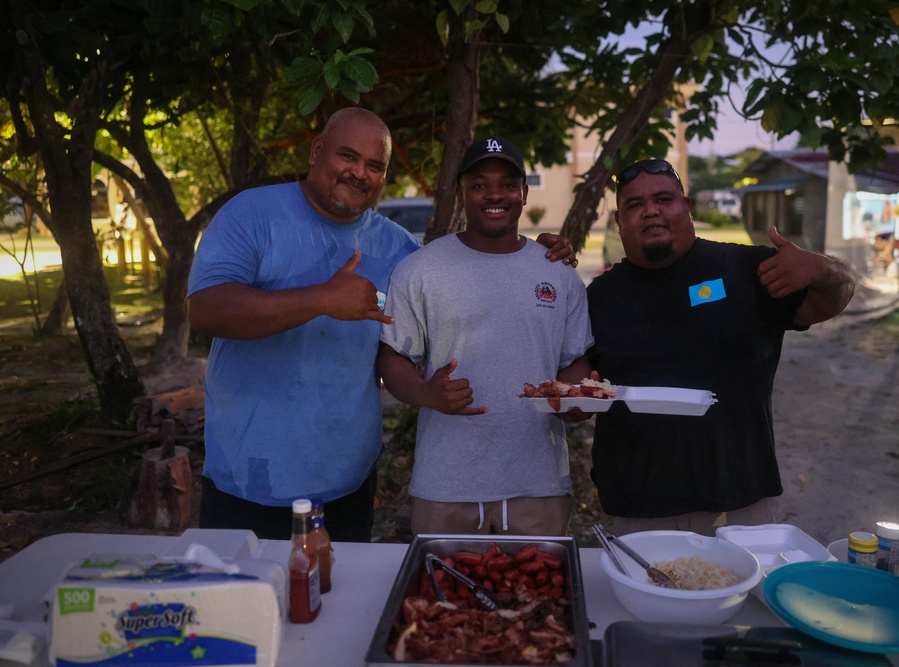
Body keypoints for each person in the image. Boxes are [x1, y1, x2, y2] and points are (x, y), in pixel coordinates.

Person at [186, 110, 577, 541]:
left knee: (338, 601)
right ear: (317, 151)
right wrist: (319, 299)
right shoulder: (253, 213)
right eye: (348, 157)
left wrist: (536, 255)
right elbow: (205, 310)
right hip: (246, 478)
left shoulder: (398, 249)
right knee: (242, 605)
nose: (359, 173)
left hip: (346, 481)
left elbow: (464, 287)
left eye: (375, 166)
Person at [586, 158, 856, 536]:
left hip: (740, 504)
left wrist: (823, 270)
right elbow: (581, 385)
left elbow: (829, 300)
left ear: (687, 207)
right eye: (634, 205)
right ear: (618, 222)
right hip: (637, 506)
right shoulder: (601, 295)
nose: (650, 211)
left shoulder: (746, 269)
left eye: (664, 199)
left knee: (742, 596)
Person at [377, 137, 593, 536]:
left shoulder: (557, 272)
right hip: (445, 486)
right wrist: (427, 394)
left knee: (539, 596)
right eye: (479, 184)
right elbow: (393, 358)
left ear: (525, 193)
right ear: (461, 193)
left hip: (538, 483)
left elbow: (574, 359)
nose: (495, 194)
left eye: (509, 184)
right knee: (442, 595)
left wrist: (576, 397)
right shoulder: (420, 270)